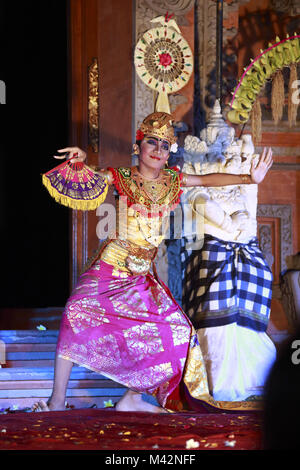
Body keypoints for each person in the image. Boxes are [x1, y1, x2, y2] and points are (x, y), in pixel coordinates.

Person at [32, 112, 273, 413]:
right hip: (110, 267)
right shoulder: (121, 177)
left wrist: (249, 178)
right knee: (75, 311)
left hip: (141, 276)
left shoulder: (173, 181)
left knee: (178, 332)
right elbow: (92, 178)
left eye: (165, 144)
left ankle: (131, 398)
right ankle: (56, 401)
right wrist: (80, 162)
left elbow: (209, 180)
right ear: (138, 147)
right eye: (152, 142)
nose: (159, 150)